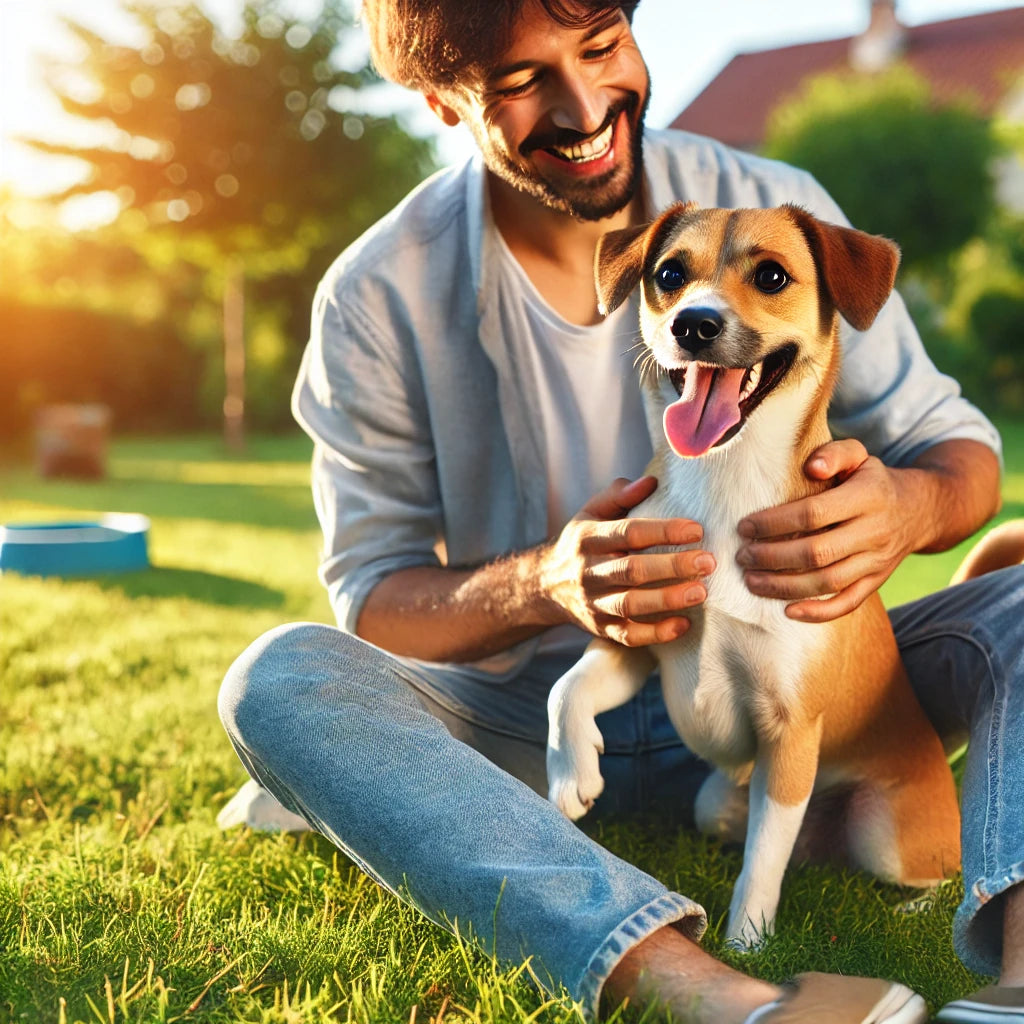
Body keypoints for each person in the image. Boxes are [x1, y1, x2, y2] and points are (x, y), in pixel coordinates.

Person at [216, 1, 1024, 1021]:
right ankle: (719, 997)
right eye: (520, 80)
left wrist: (908, 504)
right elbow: (373, 600)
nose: (585, 103)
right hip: (529, 719)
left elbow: (959, 455)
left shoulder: (773, 206)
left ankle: (1020, 975)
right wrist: (545, 582)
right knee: (277, 676)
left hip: (807, 679)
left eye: (600, 44)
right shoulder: (375, 294)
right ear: (436, 100)